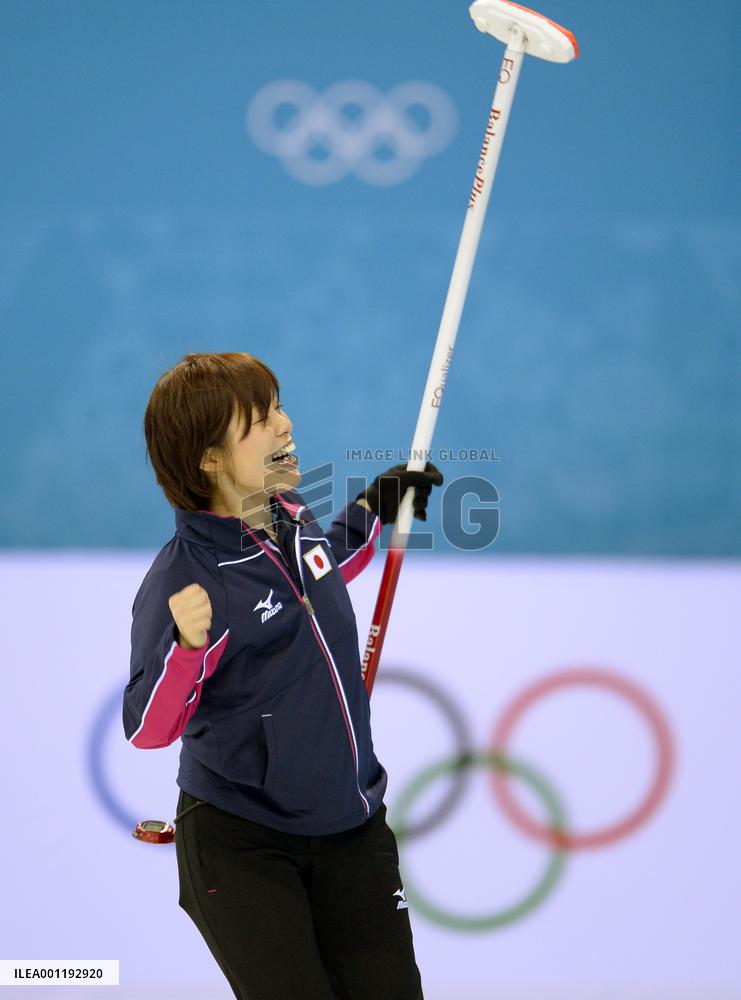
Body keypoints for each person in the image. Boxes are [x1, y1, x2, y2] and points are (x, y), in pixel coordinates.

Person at [122, 352, 443, 1000]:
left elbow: (321, 573)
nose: (285, 425)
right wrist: (186, 647)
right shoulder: (187, 578)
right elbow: (148, 729)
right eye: (260, 420)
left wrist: (373, 507)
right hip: (244, 844)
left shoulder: (290, 514)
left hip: (349, 824)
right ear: (209, 458)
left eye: (278, 408)